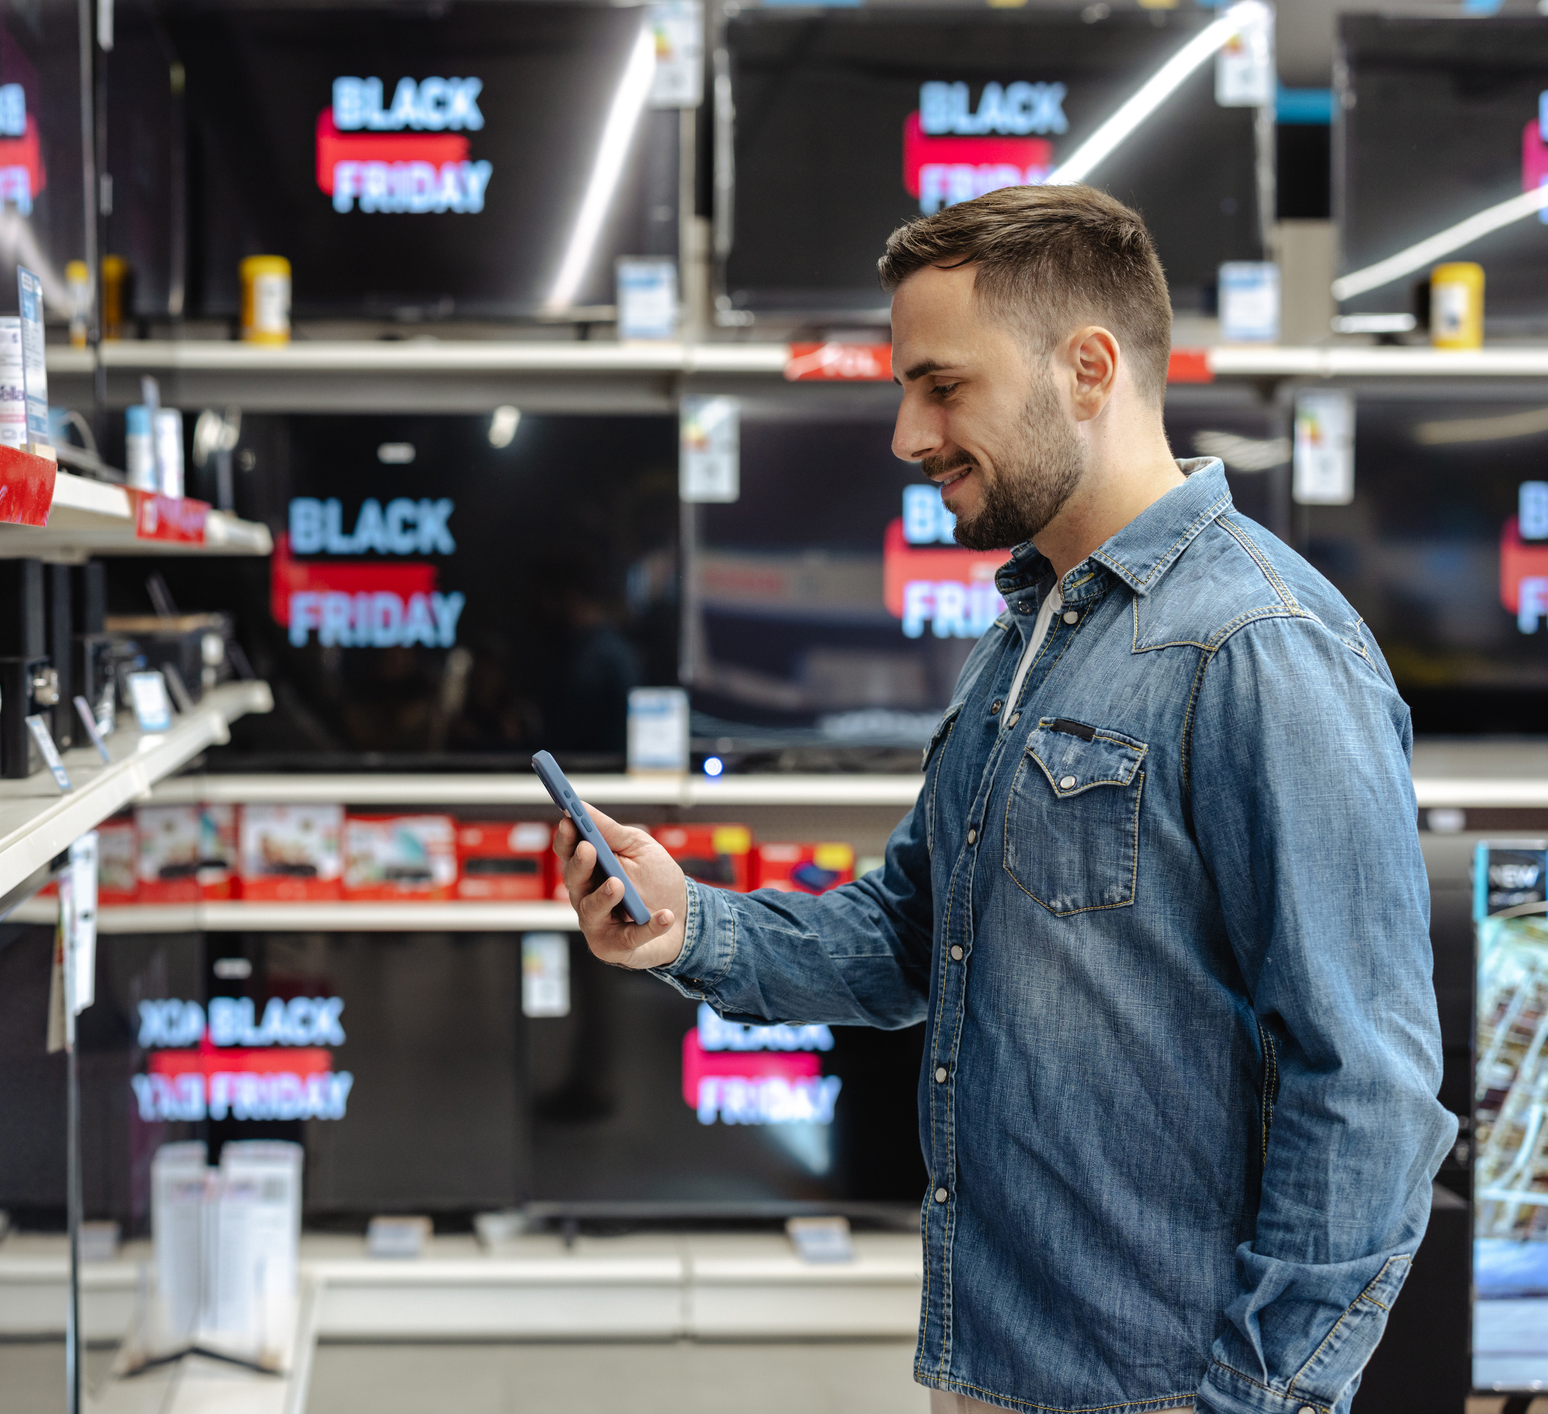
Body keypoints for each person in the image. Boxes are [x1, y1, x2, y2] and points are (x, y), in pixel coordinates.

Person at [554, 185, 1455, 1414]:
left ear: (1086, 368)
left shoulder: (1258, 646)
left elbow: (1367, 1092)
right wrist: (686, 924)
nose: (904, 433)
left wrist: (1259, 1401)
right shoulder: (1027, 633)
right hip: (990, 1364)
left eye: (939, 384)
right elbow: (915, 935)